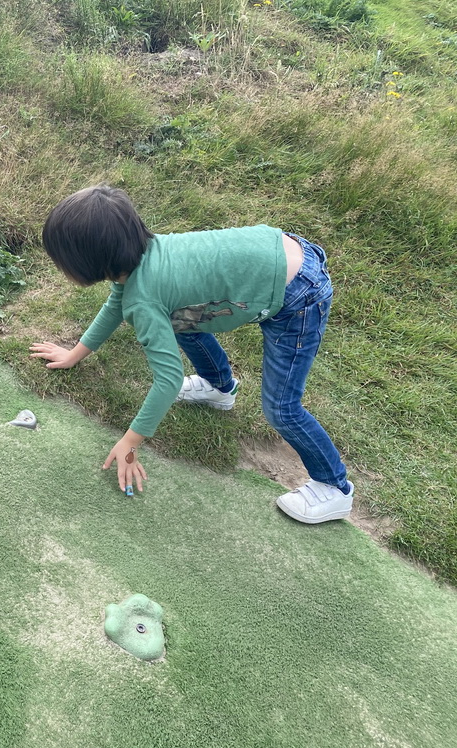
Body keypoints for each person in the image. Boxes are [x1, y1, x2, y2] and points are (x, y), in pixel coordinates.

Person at [30, 185, 353, 524]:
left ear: (87, 262)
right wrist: (75, 354)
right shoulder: (143, 258)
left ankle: (335, 488)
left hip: (296, 294)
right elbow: (116, 305)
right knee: (181, 317)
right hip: (281, 253)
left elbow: (167, 381)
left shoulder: (146, 298)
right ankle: (218, 387)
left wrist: (130, 442)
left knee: (282, 408)